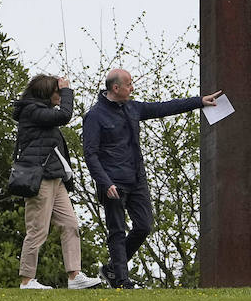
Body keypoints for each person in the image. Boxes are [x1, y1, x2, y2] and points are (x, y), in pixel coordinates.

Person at [83, 69, 221, 289]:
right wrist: (104, 182)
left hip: (136, 180)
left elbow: (163, 107)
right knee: (117, 231)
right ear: (115, 88)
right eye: (129, 84)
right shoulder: (95, 116)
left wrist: (199, 102)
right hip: (113, 182)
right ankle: (121, 280)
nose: (132, 88)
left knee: (144, 226)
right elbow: (90, 154)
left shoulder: (133, 108)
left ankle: (111, 269)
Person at [13, 74, 103, 290]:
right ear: (45, 93)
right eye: (57, 92)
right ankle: (27, 280)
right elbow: (64, 115)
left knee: (70, 225)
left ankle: (74, 276)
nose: (60, 96)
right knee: (37, 230)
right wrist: (67, 91)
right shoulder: (31, 111)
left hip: (55, 177)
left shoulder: (42, 112)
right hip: (40, 179)